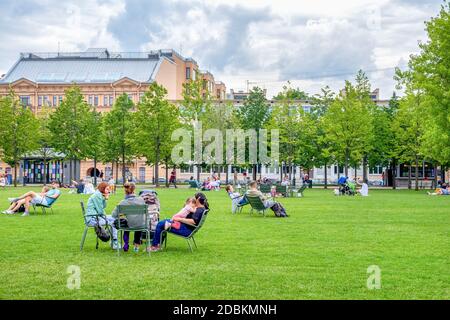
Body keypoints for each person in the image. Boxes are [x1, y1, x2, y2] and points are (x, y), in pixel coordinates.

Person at [111, 182, 146, 252]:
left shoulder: (123, 202)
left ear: (125, 191)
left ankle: (126, 244)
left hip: (129, 225)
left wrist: (122, 214)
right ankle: (136, 246)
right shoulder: (141, 199)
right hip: (142, 225)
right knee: (137, 222)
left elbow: (113, 215)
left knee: (126, 223)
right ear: (134, 190)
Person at [85, 182, 119, 249]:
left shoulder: (99, 194)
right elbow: (100, 211)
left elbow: (103, 207)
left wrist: (105, 199)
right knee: (113, 222)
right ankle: (114, 241)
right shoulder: (97, 196)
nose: (108, 191)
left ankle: (114, 241)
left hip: (96, 217)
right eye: (107, 189)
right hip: (93, 219)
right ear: (102, 188)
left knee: (114, 218)